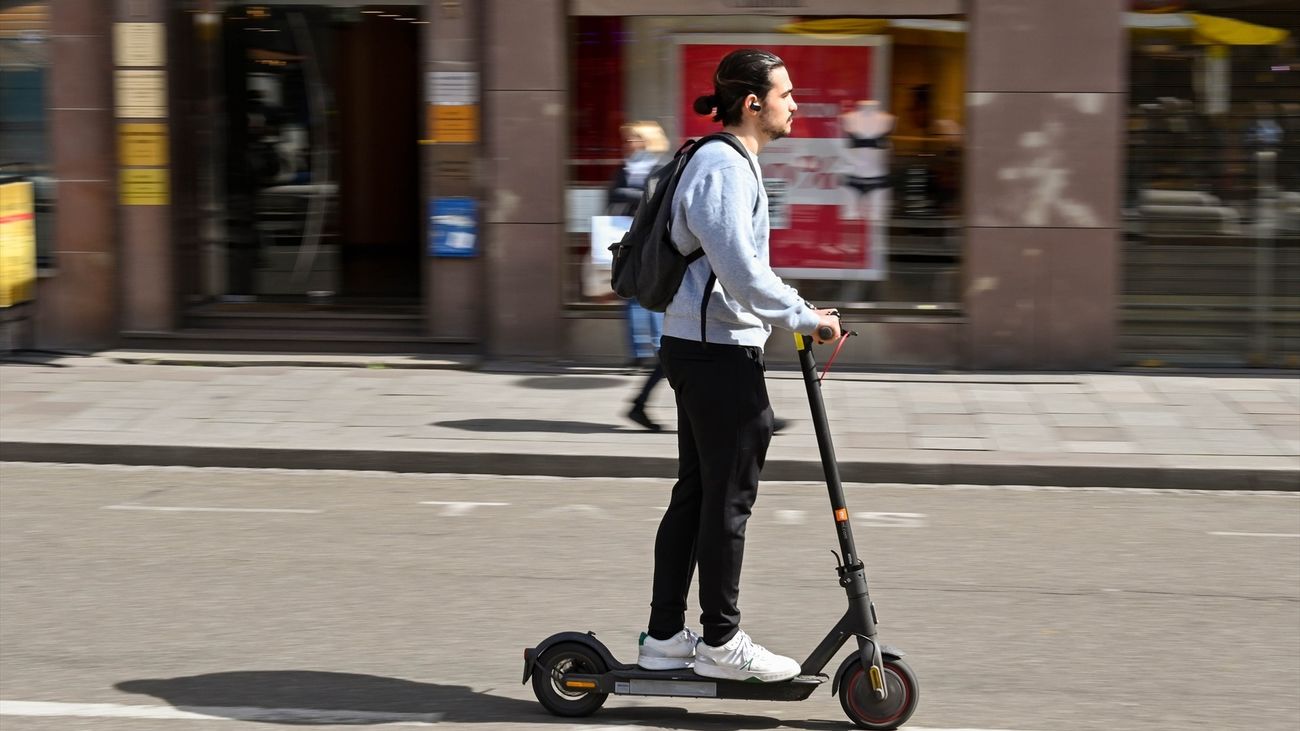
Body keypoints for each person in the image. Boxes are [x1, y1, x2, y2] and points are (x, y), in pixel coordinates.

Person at [634, 48, 841, 683]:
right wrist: (804, 316)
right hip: (715, 352)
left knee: (698, 495)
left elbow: (741, 271)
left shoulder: (726, 161)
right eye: (786, 94)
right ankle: (721, 643)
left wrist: (797, 308)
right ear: (753, 103)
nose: (795, 104)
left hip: (703, 347)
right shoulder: (723, 165)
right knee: (727, 501)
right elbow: (742, 273)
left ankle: (665, 638)